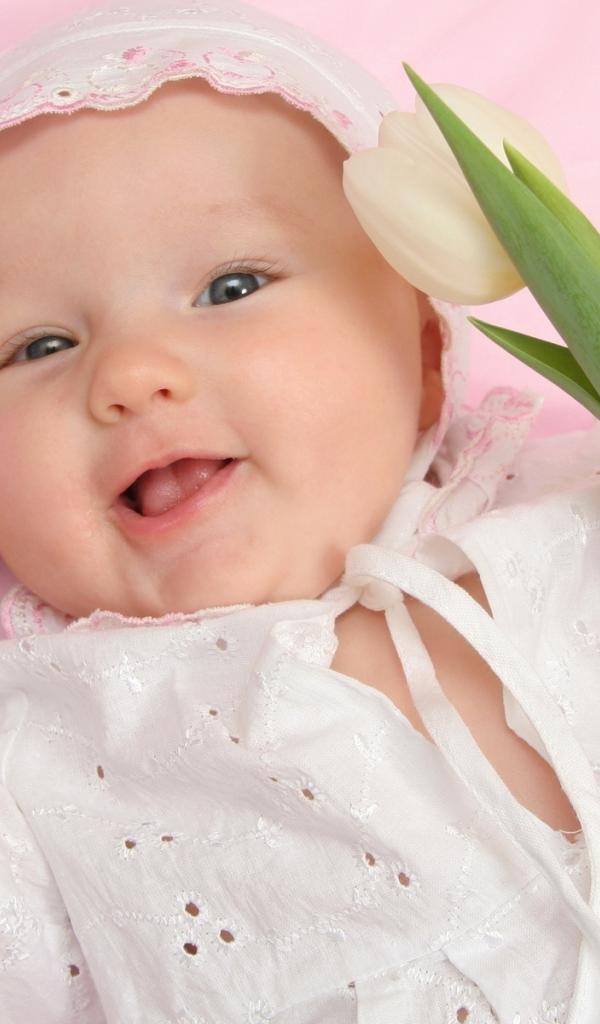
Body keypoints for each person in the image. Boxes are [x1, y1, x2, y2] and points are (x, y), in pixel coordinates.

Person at [0, 1, 598, 1021]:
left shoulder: (571, 511)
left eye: (232, 285)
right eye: (37, 346)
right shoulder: (42, 759)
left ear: (425, 350)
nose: (131, 375)